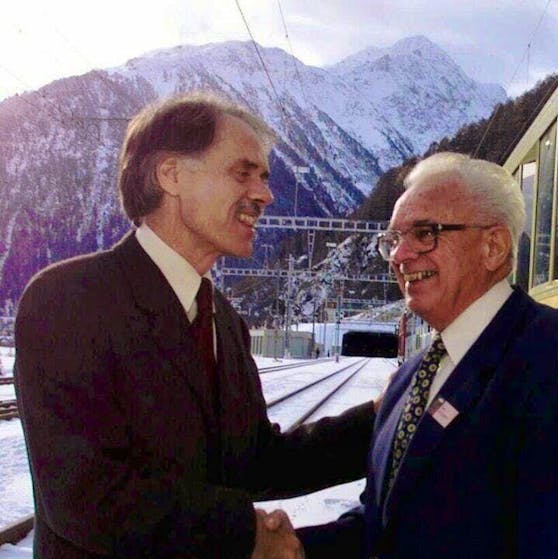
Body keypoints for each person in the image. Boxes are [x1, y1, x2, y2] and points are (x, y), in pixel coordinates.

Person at [14, 92, 376, 559]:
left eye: (264, 178)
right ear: (172, 175)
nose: (264, 195)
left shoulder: (224, 320)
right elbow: (85, 497)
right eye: (242, 173)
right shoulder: (69, 298)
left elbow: (256, 462)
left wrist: (382, 416)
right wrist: (245, 534)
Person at [298, 152, 558, 558]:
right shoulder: (410, 377)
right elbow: (382, 527)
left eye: (424, 234)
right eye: (394, 240)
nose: (401, 256)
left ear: (493, 246)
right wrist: (284, 548)